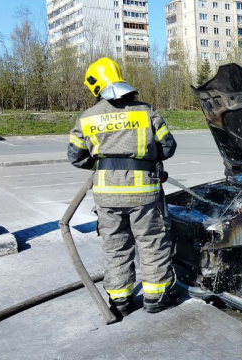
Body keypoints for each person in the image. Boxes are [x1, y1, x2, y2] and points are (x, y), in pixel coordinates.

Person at [67, 57, 179, 316]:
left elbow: (76, 156)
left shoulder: (87, 118)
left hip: (106, 194)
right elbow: (168, 147)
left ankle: (120, 301)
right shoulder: (146, 111)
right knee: (151, 242)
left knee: (115, 245)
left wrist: (105, 164)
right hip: (144, 193)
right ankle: (156, 297)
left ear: (96, 85)